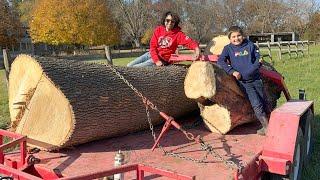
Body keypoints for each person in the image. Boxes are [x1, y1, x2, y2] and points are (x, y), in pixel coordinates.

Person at [217, 26, 269, 135]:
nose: (236, 39)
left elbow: (258, 60)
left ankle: (271, 121)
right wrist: (232, 71)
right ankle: (266, 127)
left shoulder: (250, 45)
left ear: (243, 35)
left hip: (256, 79)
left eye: (238, 36)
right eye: (233, 37)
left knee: (263, 99)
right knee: (256, 103)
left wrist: (251, 71)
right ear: (230, 38)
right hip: (244, 83)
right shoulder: (228, 49)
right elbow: (221, 61)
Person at [127, 11, 200, 67]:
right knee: (129, 66)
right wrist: (156, 60)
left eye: (172, 21)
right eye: (167, 20)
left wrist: (197, 50)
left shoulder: (178, 34)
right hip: (150, 55)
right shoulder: (159, 30)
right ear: (164, 20)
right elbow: (153, 46)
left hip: (162, 59)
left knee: (135, 68)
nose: (169, 23)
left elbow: (190, 42)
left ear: (175, 23)